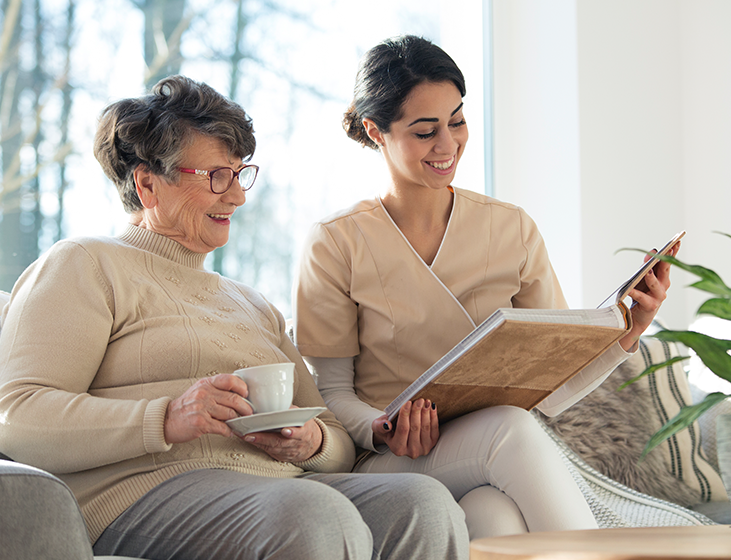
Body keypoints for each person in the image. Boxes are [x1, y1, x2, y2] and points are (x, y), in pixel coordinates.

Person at [0, 75, 469, 560]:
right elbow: (18, 416)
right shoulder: (86, 263)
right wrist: (166, 418)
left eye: (240, 174)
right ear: (147, 184)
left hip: (278, 488)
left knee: (422, 502)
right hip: (142, 496)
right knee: (309, 512)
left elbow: (334, 439)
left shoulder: (253, 303)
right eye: (215, 177)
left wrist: (308, 444)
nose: (238, 196)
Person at [293, 35, 679, 539]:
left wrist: (628, 330)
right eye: (425, 130)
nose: (448, 144)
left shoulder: (511, 228)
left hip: (488, 455)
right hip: (386, 461)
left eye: (457, 120)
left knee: (492, 516)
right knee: (511, 430)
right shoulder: (336, 241)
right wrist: (383, 428)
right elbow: (332, 393)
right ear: (376, 131)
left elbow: (554, 384)